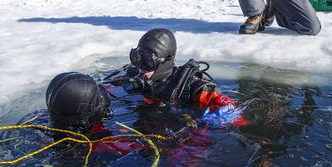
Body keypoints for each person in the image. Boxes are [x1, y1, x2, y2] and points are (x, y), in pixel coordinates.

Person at [104, 28, 245, 127]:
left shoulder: (191, 87)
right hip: (139, 127)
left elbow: (235, 117)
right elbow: (104, 87)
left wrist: (204, 124)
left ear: (165, 60)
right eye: (137, 58)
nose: (141, 67)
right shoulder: (133, 74)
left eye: (148, 61)